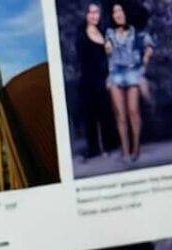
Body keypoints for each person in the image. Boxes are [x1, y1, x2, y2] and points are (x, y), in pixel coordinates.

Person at [105, 2, 154, 164]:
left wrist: (144, 63)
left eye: (120, 10)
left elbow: (149, 47)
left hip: (133, 72)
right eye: (114, 12)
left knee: (133, 111)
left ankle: (136, 147)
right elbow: (108, 48)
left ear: (127, 13)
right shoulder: (110, 33)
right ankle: (125, 150)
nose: (117, 14)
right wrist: (107, 48)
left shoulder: (137, 32)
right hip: (115, 74)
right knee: (120, 115)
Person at [77, 3, 116, 160]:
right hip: (88, 79)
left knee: (105, 112)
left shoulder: (104, 32)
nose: (94, 16)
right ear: (86, 15)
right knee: (91, 115)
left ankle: (108, 145)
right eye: (91, 13)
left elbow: (110, 56)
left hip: (104, 78)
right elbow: (82, 59)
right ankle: (93, 149)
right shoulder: (81, 34)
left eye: (97, 12)